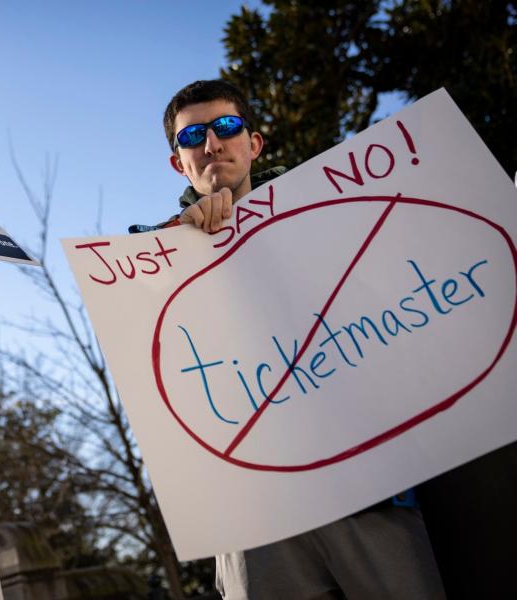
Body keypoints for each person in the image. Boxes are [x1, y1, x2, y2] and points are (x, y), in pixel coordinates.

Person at [137, 79, 446, 599]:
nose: (211, 144)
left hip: (365, 490)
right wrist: (181, 249)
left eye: (227, 127)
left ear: (253, 143)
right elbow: (145, 361)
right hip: (251, 519)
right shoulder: (150, 256)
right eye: (192, 136)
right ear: (178, 163)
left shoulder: (333, 211)